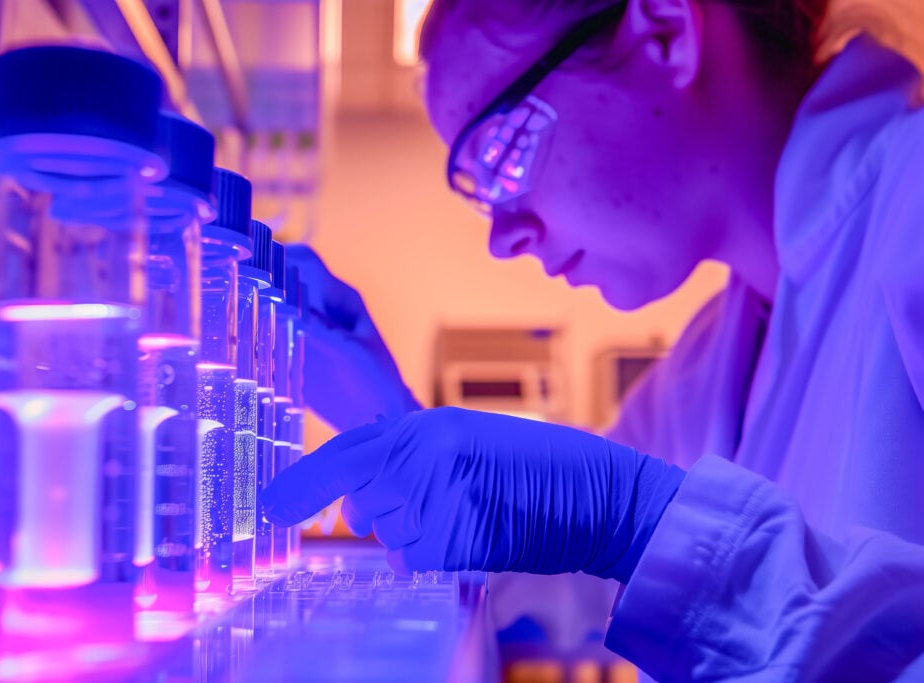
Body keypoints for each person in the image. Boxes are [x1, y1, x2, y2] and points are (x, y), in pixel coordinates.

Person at [263, 0, 924, 679]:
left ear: (666, 32)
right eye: (479, 192)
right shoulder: (707, 366)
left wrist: (636, 523)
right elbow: (569, 574)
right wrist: (394, 428)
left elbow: (650, 548)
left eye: (501, 152)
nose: (501, 235)